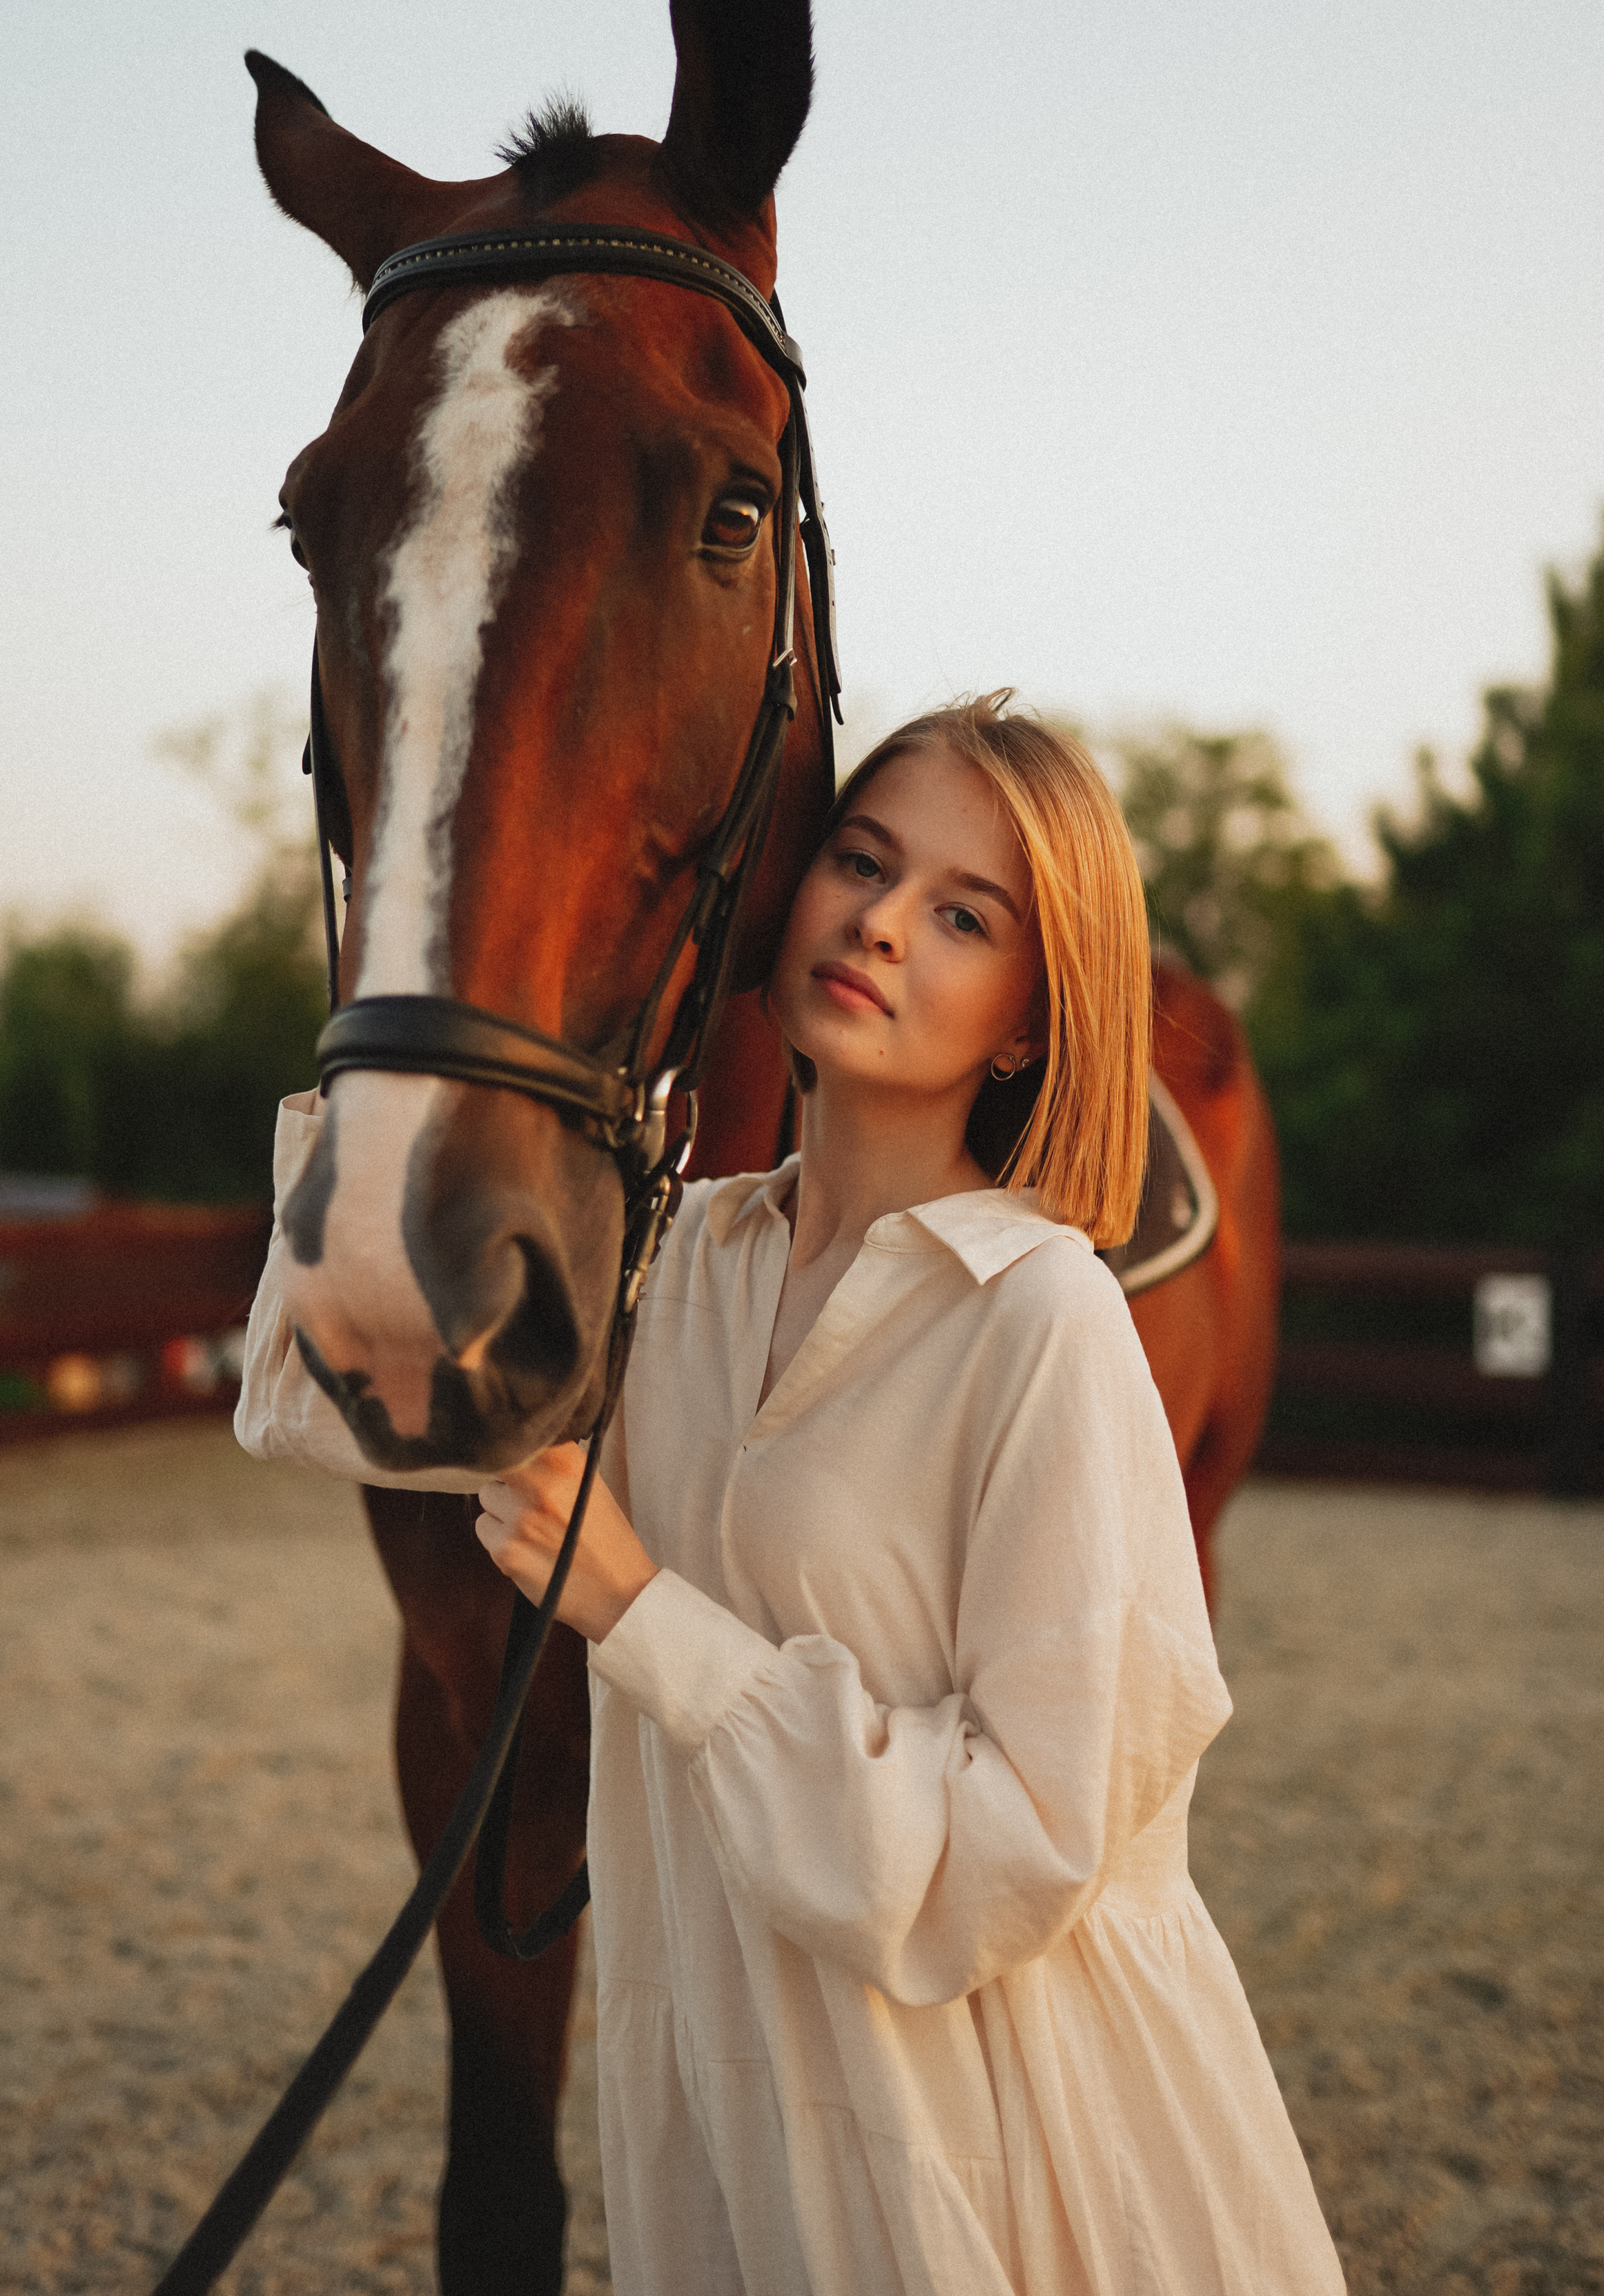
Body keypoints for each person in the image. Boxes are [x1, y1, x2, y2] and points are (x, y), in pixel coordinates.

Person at [474, 698, 1346, 2296]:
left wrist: (642, 1619)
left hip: (992, 2119)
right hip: (733, 2083)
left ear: (1023, 1018)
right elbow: (343, 1399)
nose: (878, 922)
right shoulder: (684, 1268)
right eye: (859, 863)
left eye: (960, 916)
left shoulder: (1043, 1321)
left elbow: (1021, 1839)